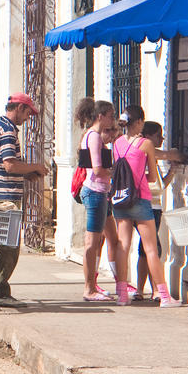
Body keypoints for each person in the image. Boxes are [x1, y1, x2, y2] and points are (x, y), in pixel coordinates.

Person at [0, 93, 49, 308]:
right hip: (4, 197)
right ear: (19, 107)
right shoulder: (8, 131)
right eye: (28, 112)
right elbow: (9, 165)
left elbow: (7, 167)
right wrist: (35, 167)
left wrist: (26, 174)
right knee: (8, 246)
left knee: (0, 244)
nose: (28, 117)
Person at [111, 106, 181, 308]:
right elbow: (151, 176)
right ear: (140, 122)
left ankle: (123, 295)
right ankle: (165, 296)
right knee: (150, 248)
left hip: (120, 200)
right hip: (140, 199)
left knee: (123, 245)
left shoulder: (117, 144)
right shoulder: (145, 144)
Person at [74, 98, 118, 301]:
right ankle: (89, 288)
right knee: (92, 242)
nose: (113, 119)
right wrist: (116, 173)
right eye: (110, 115)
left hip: (101, 192)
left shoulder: (93, 136)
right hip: (95, 192)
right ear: (100, 116)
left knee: (111, 238)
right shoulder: (93, 137)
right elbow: (98, 169)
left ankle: (117, 283)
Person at [135, 121, 181, 302]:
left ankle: (141, 289)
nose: (161, 138)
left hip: (150, 205)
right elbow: (154, 186)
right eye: (158, 135)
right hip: (149, 206)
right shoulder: (148, 155)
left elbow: (160, 184)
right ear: (149, 137)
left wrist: (172, 172)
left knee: (144, 250)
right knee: (154, 249)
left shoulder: (149, 157)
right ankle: (156, 290)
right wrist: (177, 156)